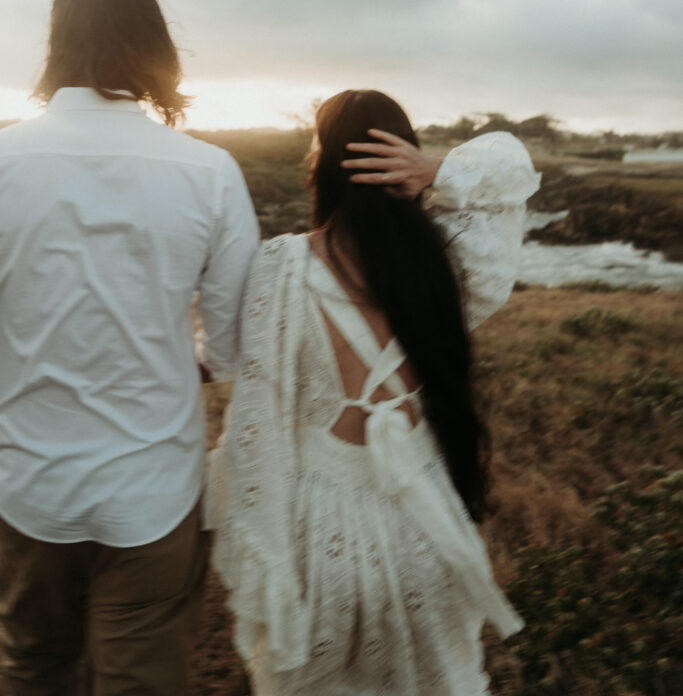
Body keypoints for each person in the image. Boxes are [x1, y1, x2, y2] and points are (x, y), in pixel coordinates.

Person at [206, 89, 541, 695]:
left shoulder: (283, 266)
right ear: (402, 162)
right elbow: (511, 168)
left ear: (324, 163)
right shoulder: (449, 261)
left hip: (317, 532)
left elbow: (257, 419)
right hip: (425, 524)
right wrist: (440, 171)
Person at [0, 0, 259, 695]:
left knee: (32, 666)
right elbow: (233, 342)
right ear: (155, 46)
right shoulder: (209, 171)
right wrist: (192, 355)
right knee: (140, 681)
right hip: (153, 482)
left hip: (25, 479)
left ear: (55, 45)